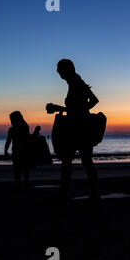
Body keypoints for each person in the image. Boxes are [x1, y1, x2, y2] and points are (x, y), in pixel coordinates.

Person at [46, 59, 99, 202]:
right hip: (82, 126)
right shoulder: (76, 82)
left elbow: (89, 103)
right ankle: (93, 194)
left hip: (77, 129)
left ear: (67, 69)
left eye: (59, 69)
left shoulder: (76, 83)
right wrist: (83, 112)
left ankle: (64, 194)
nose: (57, 72)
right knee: (84, 162)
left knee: (69, 163)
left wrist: (59, 108)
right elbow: (94, 101)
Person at [4, 111, 41, 188]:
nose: (11, 121)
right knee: (24, 170)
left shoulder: (12, 129)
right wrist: (36, 131)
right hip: (23, 152)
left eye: (12, 119)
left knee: (18, 170)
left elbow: (8, 141)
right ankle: (24, 185)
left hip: (18, 153)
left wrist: (6, 151)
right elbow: (29, 139)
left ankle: (19, 185)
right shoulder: (24, 127)